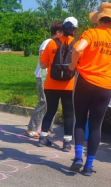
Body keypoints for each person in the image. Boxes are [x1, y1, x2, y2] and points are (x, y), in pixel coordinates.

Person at [69, 3, 111, 176]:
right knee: (96, 126)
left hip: (85, 82)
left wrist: (73, 66)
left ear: (98, 19)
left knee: (80, 120)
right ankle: (88, 166)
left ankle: (78, 157)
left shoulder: (92, 33)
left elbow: (78, 48)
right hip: (105, 86)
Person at [37, 17, 79, 151]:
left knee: (50, 110)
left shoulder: (52, 43)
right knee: (68, 113)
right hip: (69, 85)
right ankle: (67, 143)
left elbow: (43, 64)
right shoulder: (78, 44)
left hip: (51, 84)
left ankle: (43, 137)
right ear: (74, 30)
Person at [25, 21, 63, 139]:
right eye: (63, 32)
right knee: (43, 102)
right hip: (43, 76)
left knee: (52, 104)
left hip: (53, 77)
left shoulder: (59, 43)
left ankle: (48, 130)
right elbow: (43, 61)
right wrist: (44, 78)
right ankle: (31, 128)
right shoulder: (48, 42)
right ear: (58, 32)